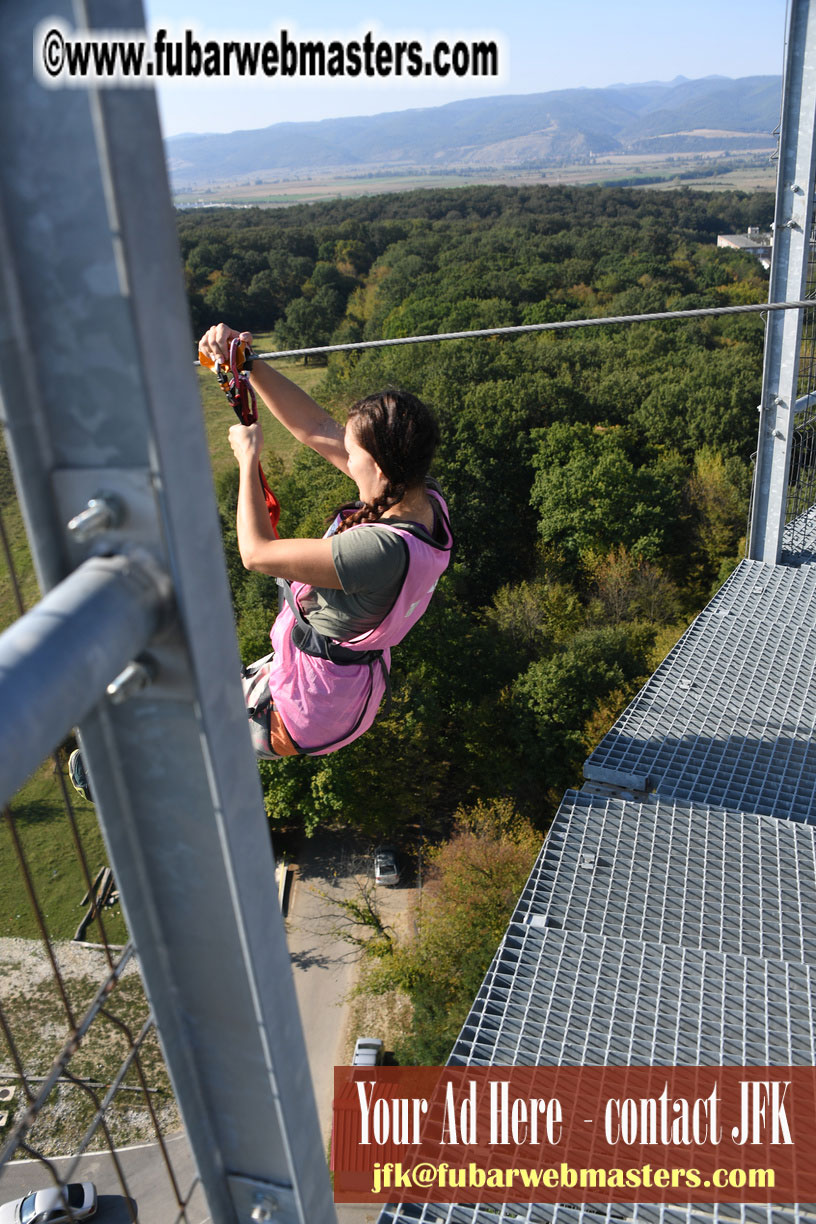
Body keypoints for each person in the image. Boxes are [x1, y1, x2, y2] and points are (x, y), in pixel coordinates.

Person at [198, 322, 454, 759]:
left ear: (378, 465)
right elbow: (316, 426)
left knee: (192, 719)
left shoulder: (379, 552)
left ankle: (119, 771)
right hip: (331, 683)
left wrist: (247, 459)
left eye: (352, 453)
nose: (344, 457)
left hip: (306, 709)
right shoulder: (423, 497)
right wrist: (248, 365)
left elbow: (256, 553)